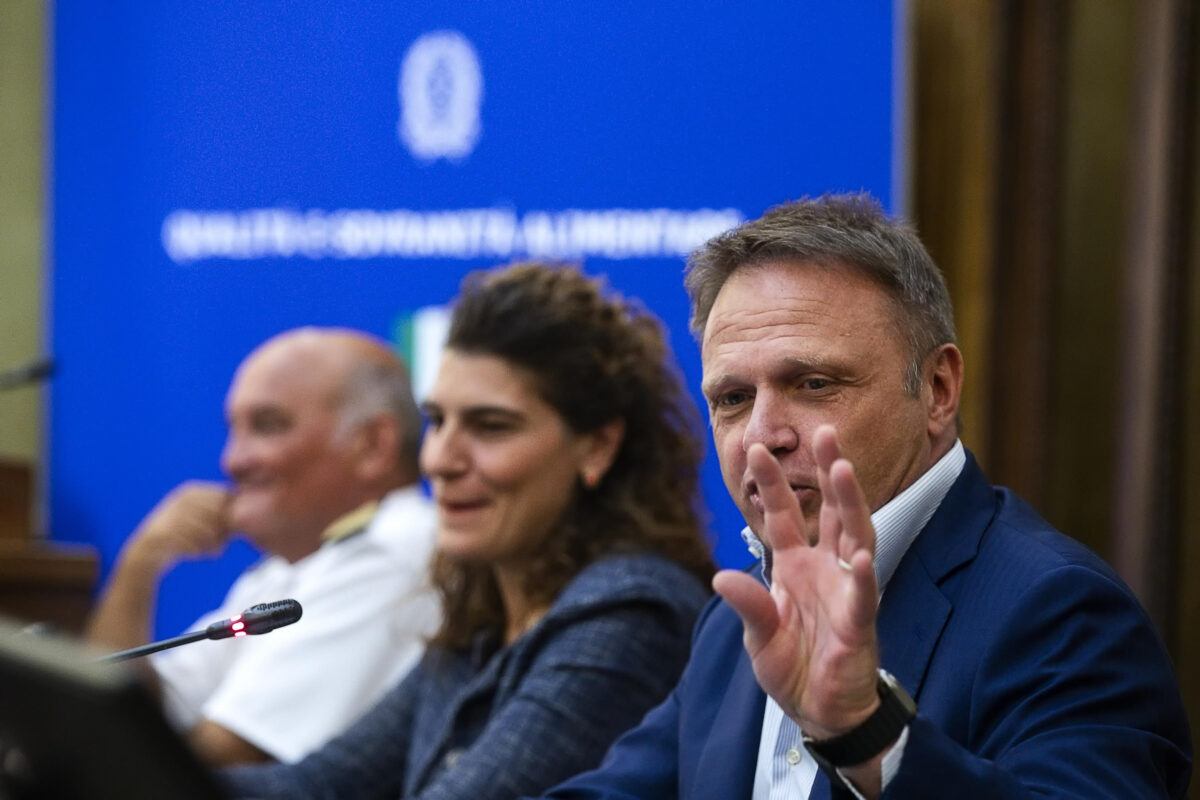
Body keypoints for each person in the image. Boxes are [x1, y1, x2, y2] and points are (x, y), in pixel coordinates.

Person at [533, 194, 1192, 799]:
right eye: (732, 398)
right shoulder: (735, 623)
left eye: (814, 384)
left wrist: (864, 733)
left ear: (937, 390)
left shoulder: (1059, 607)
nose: (761, 436)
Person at [222, 262, 716, 799]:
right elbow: (315, 787)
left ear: (597, 446)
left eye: (491, 427)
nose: (439, 460)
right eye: (437, 421)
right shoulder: (482, 615)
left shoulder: (632, 612)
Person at [87, 328, 440, 767]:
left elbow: (217, 768)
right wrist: (140, 565)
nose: (232, 460)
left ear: (373, 445)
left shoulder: (390, 556)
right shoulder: (286, 570)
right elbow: (118, 708)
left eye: (267, 426)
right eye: (233, 429)